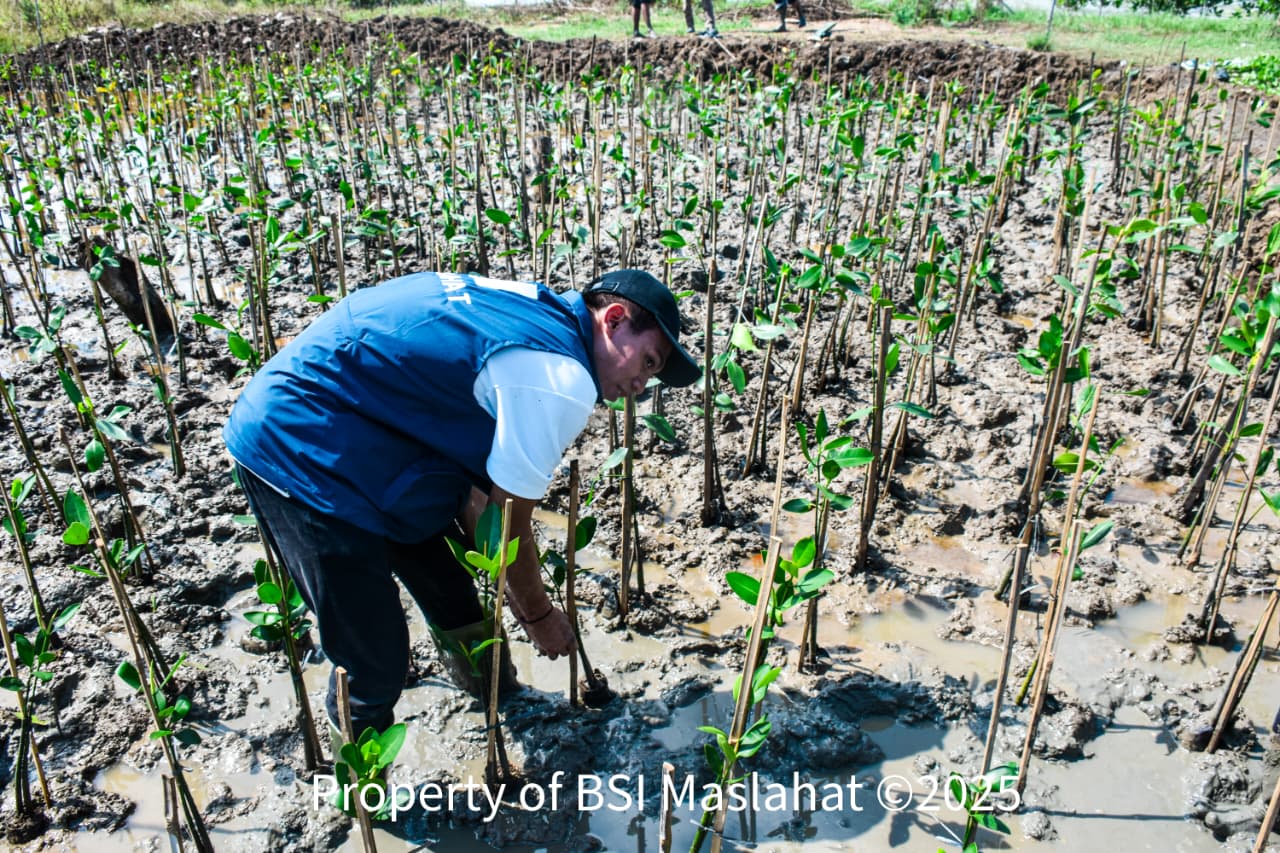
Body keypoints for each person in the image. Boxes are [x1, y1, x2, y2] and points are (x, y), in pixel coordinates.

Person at [223, 269, 699, 745]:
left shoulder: (537, 305)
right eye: (648, 361)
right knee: (372, 659)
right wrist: (537, 616)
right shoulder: (563, 379)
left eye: (653, 374)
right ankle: (358, 792)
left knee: (449, 582)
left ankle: (498, 698)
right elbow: (510, 523)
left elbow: (481, 503)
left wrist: (510, 583)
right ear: (613, 320)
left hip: (372, 428)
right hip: (299, 440)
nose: (642, 384)